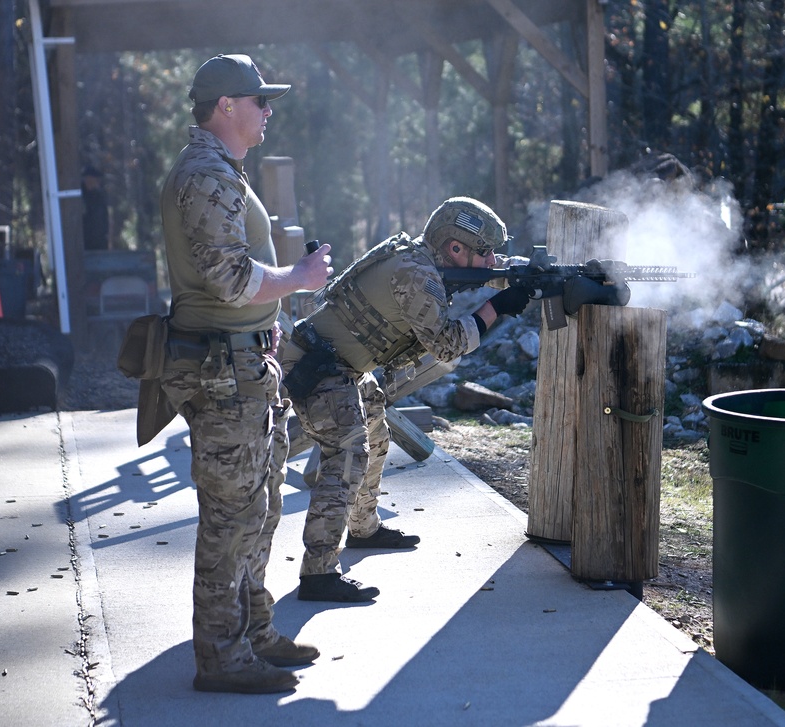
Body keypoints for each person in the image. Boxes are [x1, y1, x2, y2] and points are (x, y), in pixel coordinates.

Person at [157, 53, 334, 695]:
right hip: (221, 372)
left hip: (243, 365)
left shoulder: (221, 170)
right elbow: (232, 280)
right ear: (226, 106)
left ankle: (254, 632)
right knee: (231, 514)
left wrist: (272, 320)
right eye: (261, 100)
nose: (268, 111)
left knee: (258, 505)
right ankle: (221, 655)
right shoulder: (205, 175)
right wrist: (301, 279)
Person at [280, 197, 531, 603]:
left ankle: (364, 529)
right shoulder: (415, 274)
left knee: (376, 437)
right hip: (318, 366)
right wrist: (494, 309)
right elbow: (447, 343)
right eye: (483, 252)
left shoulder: (425, 260)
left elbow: (485, 272)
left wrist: (523, 272)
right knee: (347, 452)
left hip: (341, 364)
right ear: (454, 248)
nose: (489, 260)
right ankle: (318, 573)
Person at [81, 165, 110, 250]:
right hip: (84, 241)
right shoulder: (80, 197)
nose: (92, 182)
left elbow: (104, 217)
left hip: (99, 240)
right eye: (88, 179)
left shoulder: (99, 196)